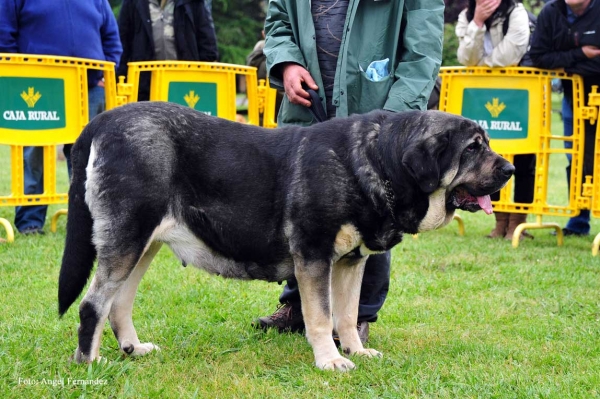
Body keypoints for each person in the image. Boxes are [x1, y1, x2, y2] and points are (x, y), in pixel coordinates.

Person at [254, 0, 444, 343]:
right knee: (308, 212)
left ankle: (356, 317)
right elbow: (279, 19)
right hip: (309, 112)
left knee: (374, 215)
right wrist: (286, 63)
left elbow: (423, 56)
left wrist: (391, 125)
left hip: (378, 115)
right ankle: (298, 305)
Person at [0, 0, 123, 235]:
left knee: (88, 155)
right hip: (37, 84)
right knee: (34, 151)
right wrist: (16, 75)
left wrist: (106, 72)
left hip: (88, 88)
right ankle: (30, 222)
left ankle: (85, 221)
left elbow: (111, 38)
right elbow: (4, 34)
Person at [455, 0, 536, 241]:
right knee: (490, 159)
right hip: (483, 97)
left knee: (524, 160)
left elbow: (513, 52)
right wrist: (478, 22)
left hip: (519, 95)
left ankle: (518, 223)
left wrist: (483, 67)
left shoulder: (516, 12)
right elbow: (465, 56)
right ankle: (500, 222)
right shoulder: (467, 16)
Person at [529, 0, 600, 236]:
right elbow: (538, 57)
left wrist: (564, 64)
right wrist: (581, 54)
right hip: (574, 98)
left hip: (594, 93)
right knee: (577, 158)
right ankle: (578, 222)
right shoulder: (551, 11)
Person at [117, 0, 219, 102]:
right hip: (144, 86)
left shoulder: (193, 3)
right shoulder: (132, 3)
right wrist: (118, 80)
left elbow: (208, 46)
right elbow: (122, 44)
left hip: (185, 85)